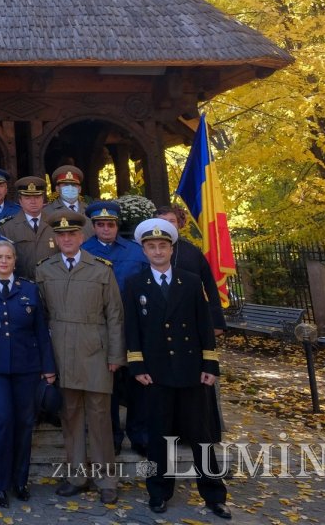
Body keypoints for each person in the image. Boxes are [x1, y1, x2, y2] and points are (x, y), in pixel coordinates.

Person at [125, 219, 229, 519]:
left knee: (201, 436)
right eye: (151, 246)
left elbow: (204, 325)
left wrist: (210, 364)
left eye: (163, 246)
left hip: (191, 370)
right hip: (155, 372)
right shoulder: (135, 284)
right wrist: (137, 365)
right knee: (159, 436)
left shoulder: (191, 281)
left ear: (172, 249)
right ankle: (158, 492)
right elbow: (132, 328)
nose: (157, 251)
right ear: (144, 251)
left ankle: (214, 495)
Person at [35, 211, 124, 505]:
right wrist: (45, 361)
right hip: (61, 351)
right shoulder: (44, 269)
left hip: (96, 351)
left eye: (71, 234)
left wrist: (115, 354)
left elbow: (115, 315)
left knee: (100, 419)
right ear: (55, 239)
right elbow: (40, 317)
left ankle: (105, 479)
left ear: (81, 237)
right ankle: (76, 477)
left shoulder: (101, 269)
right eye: (61, 235)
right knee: (70, 417)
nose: (67, 239)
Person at [0, 240, 57, 507]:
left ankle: (20, 481)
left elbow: (41, 331)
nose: (4, 261)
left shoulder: (29, 289)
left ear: (15, 261)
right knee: (1, 421)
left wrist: (48, 367)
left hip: (26, 366)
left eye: (8, 257)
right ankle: (0, 484)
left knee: (24, 423)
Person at [82, 200, 149, 455]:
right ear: (94, 226)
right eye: (100, 225)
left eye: (110, 224)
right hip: (99, 329)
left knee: (136, 383)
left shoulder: (135, 251)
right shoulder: (84, 251)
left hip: (132, 327)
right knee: (106, 387)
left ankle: (139, 435)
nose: (106, 229)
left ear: (117, 225)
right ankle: (112, 437)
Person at [155, 205, 226, 333]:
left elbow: (209, 284)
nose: (168, 225)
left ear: (179, 224)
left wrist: (217, 321)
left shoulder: (192, 251)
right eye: (163, 221)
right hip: (156, 317)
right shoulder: (143, 250)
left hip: (190, 316)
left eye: (172, 221)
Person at [0, 176, 56, 279]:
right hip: (21, 283)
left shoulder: (55, 223)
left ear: (43, 199)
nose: (33, 201)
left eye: (37, 197)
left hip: (51, 281)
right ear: (20, 201)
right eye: (27, 198)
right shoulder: (7, 227)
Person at [43, 165, 94, 235]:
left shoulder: (90, 211)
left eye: (74, 185)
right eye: (65, 184)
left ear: (79, 189)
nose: (70, 187)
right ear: (57, 189)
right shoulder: (46, 212)